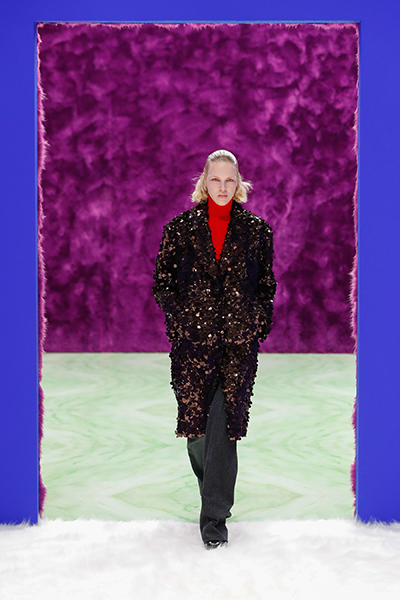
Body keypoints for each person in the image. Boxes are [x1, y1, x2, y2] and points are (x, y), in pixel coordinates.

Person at [153, 149, 276, 549]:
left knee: (223, 428)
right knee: (197, 435)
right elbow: (162, 283)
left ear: (239, 184)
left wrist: (256, 324)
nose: (222, 187)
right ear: (204, 183)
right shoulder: (179, 230)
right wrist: (181, 322)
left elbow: (266, 286)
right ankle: (214, 494)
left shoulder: (257, 231)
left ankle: (214, 521)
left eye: (229, 180)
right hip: (193, 348)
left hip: (238, 347)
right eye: (215, 180)